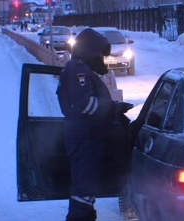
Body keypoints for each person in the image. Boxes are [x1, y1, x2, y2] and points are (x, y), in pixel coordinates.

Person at [56, 28, 133, 221]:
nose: (102, 58)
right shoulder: (78, 70)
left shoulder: (80, 68)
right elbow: (85, 105)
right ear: (90, 50)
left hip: (89, 138)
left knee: (86, 193)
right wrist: (112, 107)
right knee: (83, 191)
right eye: (100, 53)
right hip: (85, 140)